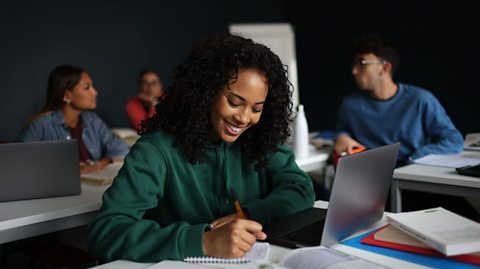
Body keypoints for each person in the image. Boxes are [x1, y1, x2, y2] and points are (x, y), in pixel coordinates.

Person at [86, 33, 315, 262]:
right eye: (234, 102)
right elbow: (105, 232)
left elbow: (301, 189)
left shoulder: (258, 139)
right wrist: (203, 241)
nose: (244, 118)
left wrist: (246, 213)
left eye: (256, 109)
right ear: (206, 92)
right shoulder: (157, 151)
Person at [334, 34, 463, 166]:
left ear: (385, 68)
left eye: (362, 63)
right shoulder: (350, 105)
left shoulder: (420, 100)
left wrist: (415, 158)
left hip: (412, 172)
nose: (354, 71)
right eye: (353, 64)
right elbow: (342, 129)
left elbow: (453, 140)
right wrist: (341, 136)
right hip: (369, 173)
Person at [19, 65, 129, 174]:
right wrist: (68, 169)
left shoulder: (93, 120)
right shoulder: (40, 125)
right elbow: (18, 162)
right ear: (67, 95)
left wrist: (100, 163)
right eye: (87, 87)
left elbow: (121, 149)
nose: (95, 92)